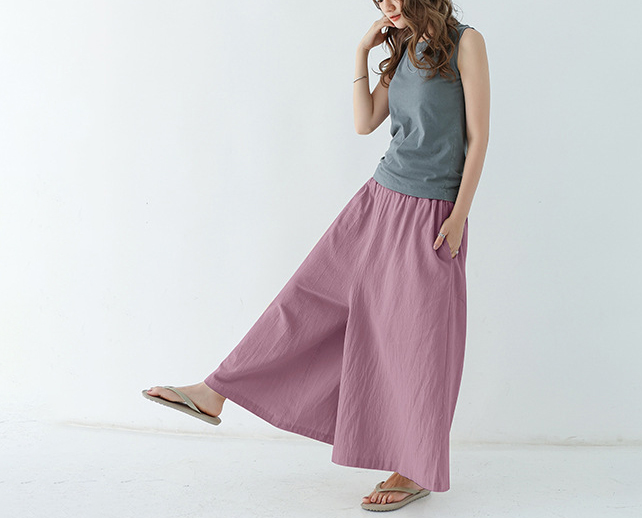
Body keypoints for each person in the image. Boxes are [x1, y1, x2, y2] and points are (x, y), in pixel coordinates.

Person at [143, 0, 490, 512]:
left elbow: (478, 138)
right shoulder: (400, 48)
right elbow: (365, 122)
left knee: (415, 341)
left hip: (432, 213)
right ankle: (217, 391)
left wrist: (459, 216)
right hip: (377, 200)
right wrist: (361, 52)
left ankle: (414, 467)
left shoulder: (466, 43)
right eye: (379, 0)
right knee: (306, 300)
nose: (387, 6)